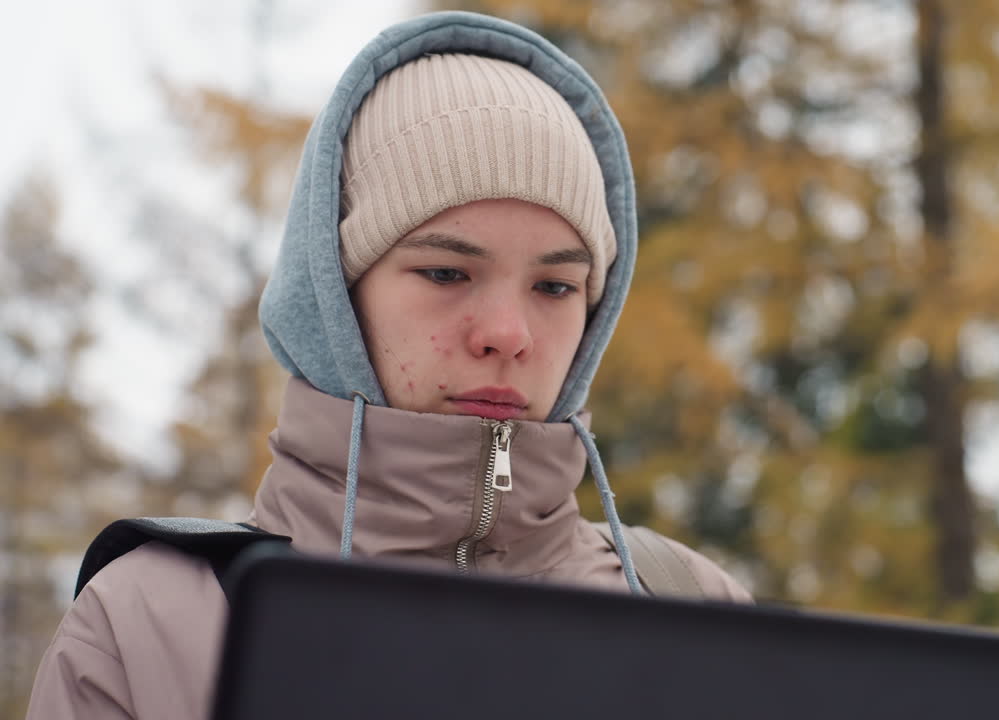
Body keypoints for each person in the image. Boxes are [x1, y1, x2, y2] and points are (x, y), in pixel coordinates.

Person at [25, 11, 750, 720]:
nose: (508, 334)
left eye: (555, 287)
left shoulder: (690, 607)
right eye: (445, 274)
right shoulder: (148, 625)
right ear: (339, 297)